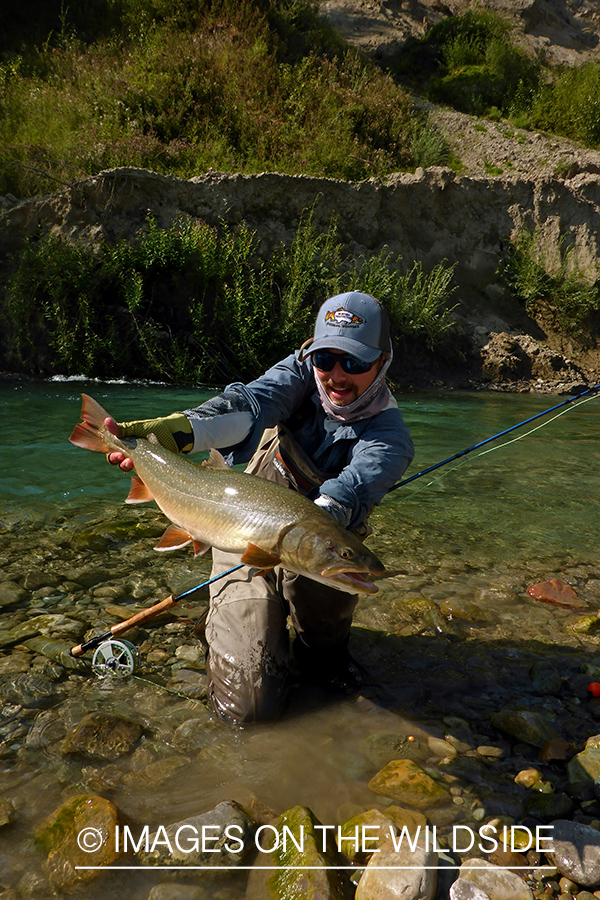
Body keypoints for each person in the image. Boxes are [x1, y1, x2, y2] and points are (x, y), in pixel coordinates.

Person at [107, 291, 414, 724]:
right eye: (326, 358)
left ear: (383, 362)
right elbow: (247, 408)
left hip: (323, 533)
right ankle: (236, 619)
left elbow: (347, 493)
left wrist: (312, 538)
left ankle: (299, 628)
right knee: (251, 705)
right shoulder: (300, 374)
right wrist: (178, 433)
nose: (337, 375)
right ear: (312, 352)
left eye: (356, 363)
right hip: (240, 516)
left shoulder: (391, 440)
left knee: (323, 666)